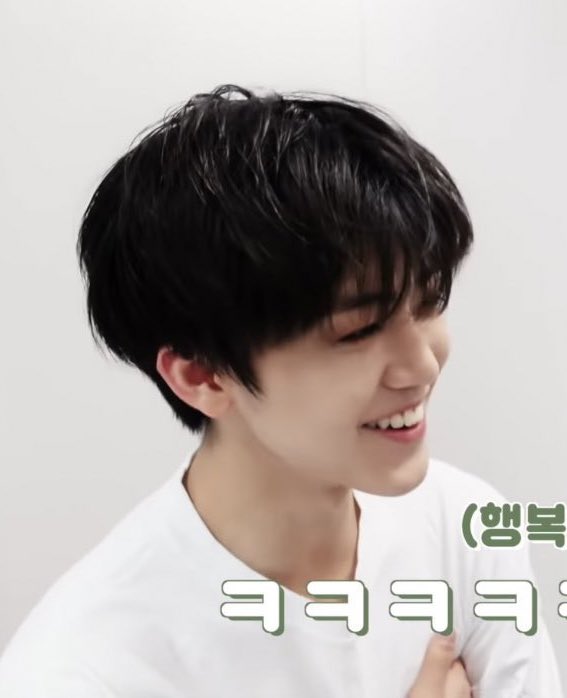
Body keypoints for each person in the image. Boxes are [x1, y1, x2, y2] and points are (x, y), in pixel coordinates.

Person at [0, 84, 562, 697]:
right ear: (203, 376)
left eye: (430, 302)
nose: (422, 364)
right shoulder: (82, 671)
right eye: (358, 331)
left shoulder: (465, 528)